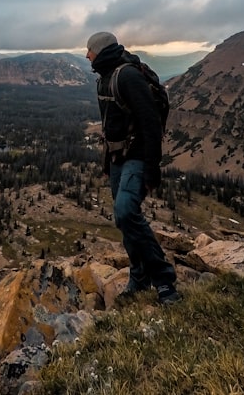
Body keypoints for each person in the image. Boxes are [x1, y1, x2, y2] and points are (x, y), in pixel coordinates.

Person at [86, 31, 180, 305]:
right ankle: (138, 280)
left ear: (101, 51)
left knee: (126, 212)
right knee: (124, 220)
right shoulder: (104, 78)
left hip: (137, 156)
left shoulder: (127, 76)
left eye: (89, 50)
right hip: (117, 160)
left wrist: (152, 168)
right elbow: (110, 127)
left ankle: (164, 281)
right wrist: (107, 162)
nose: (86, 55)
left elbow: (150, 123)